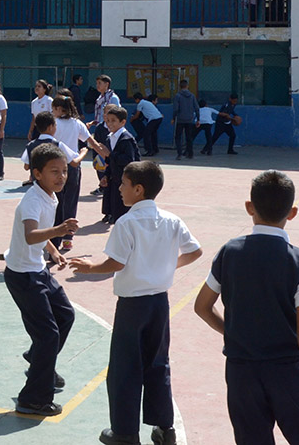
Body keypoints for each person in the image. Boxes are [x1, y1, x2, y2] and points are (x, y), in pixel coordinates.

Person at [194, 170, 299, 444]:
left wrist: (232, 332)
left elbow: (202, 306)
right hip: (287, 372)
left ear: (249, 207)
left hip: (241, 371)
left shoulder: (229, 252)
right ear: (292, 212)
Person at [71, 161, 202, 445]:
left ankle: (125, 432)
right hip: (159, 303)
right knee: (158, 364)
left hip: (132, 306)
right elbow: (195, 250)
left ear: (138, 189)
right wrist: (166, 267)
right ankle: (164, 429)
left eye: (124, 184)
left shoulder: (127, 222)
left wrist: (89, 267)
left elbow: (115, 262)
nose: (119, 189)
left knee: (124, 368)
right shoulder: (171, 219)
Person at [3, 143, 79, 417]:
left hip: (37, 270)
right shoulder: (33, 200)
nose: (61, 177)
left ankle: (39, 360)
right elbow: (30, 234)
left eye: (63, 171)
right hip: (24, 276)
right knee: (47, 335)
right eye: (54, 172)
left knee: (65, 316)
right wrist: (60, 230)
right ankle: (33, 399)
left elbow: (40, 236)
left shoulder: (49, 195)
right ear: (37, 174)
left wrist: (54, 250)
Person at [51, 95, 97, 253]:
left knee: (56, 202)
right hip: (73, 166)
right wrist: (104, 153)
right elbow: (91, 141)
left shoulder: (54, 124)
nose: (52, 111)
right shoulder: (77, 124)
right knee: (71, 201)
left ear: (60, 109)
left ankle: (54, 238)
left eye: (54, 108)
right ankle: (68, 239)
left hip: (56, 166)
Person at [97, 106, 140, 224]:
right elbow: (109, 162)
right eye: (108, 120)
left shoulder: (126, 139)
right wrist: (106, 175)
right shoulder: (109, 138)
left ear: (123, 122)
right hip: (115, 179)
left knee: (124, 213)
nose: (110, 123)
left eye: (113, 120)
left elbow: (129, 161)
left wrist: (110, 155)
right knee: (115, 211)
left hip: (127, 181)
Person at [171, 80, 199, 159]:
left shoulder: (177, 96)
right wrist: (198, 119)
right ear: (187, 86)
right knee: (189, 137)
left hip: (180, 119)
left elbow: (176, 108)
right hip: (190, 119)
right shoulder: (192, 96)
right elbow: (196, 108)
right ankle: (190, 153)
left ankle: (179, 153)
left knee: (178, 137)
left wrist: (173, 118)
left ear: (180, 86)